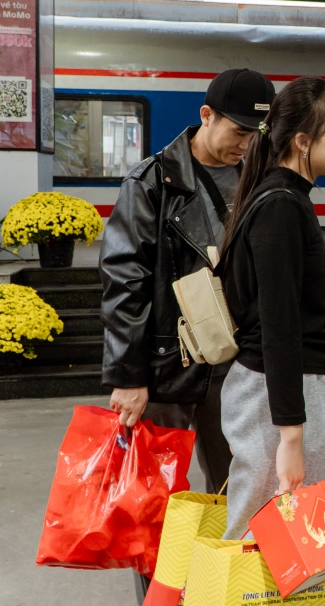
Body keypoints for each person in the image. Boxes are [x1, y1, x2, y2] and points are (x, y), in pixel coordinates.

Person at [99, 67, 275, 602]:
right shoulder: (151, 181)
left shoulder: (261, 176)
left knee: (241, 493)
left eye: (254, 136)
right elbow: (124, 281)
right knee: (160, 507)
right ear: (205, 116)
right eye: (236, 132)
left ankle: (231, 594)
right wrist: (128, 376)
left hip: (237, 367)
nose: (243, 146)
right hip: (163, 369)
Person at [217, 76, 325, 540]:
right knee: (260, 540)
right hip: (276, 398)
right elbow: (279, 327)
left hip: (278, 394)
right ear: (302, 141)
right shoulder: (281, 206)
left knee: (289, 541)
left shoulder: (280, 198)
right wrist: (291, 438)